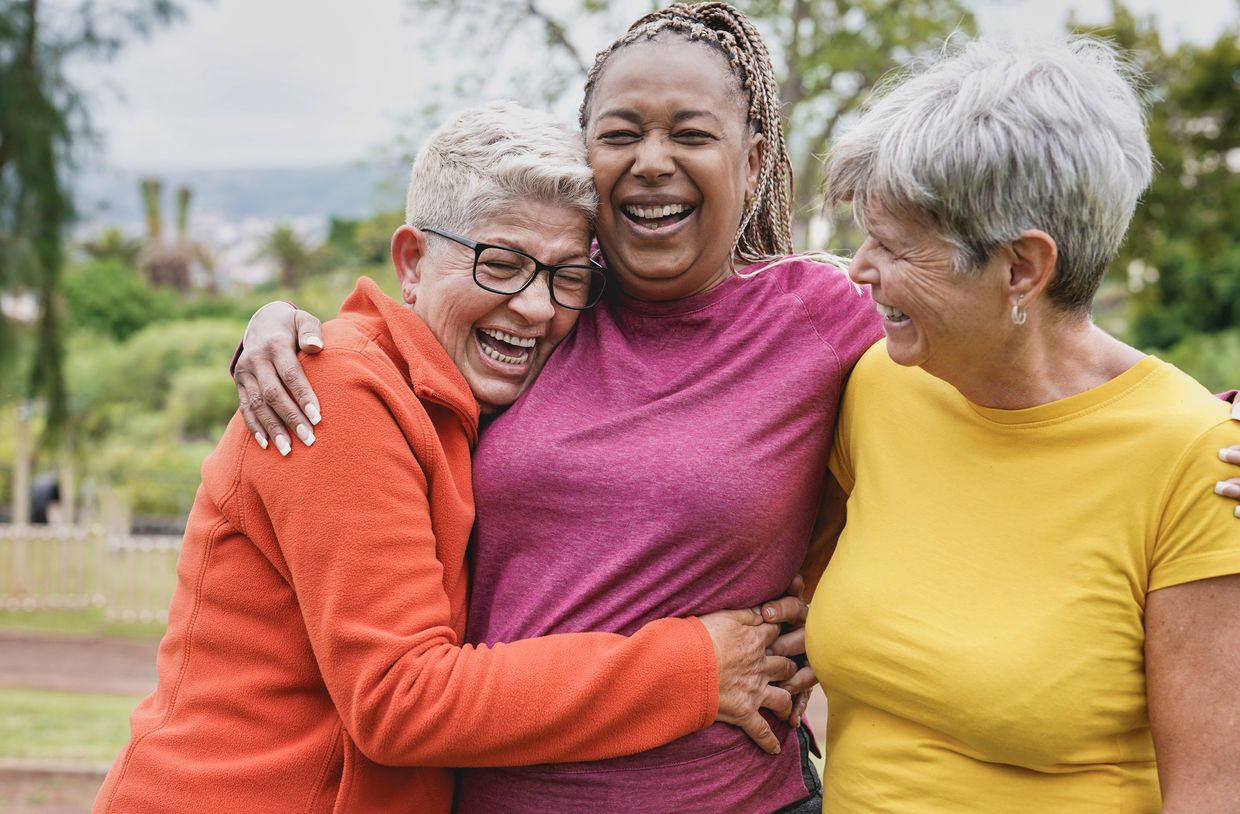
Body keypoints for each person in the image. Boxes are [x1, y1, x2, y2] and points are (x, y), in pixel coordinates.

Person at [232, 5, 1240, 812]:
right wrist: (284, 326)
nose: (653, 159)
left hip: (735, 796)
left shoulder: (836, 327)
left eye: (692, 134)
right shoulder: (541, 306)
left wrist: (1215, 423)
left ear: (754, 162)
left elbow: (1032, 351)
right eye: (619, 134)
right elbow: (414, 327)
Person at [93, 101, 807, 814]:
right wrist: (692, 669)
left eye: (565, 278)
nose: (534, 307)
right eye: (500, 265)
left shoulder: (471, 403)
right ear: (412, 261)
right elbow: (400, 697)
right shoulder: (339, 391)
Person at [807, 36, 1240, 812]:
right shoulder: (880, 383)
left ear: (1021, 270)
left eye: (896, 247)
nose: (860, 268)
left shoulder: (1198, 463)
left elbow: (1212, 795)